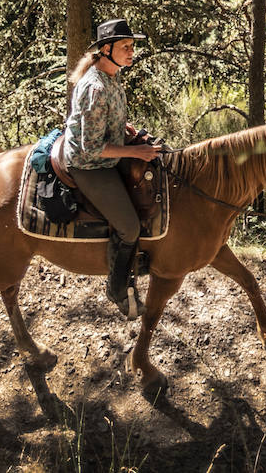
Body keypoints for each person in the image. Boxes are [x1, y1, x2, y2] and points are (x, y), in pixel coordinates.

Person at [64, 17, 159, 319]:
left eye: (132, 46)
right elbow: (91, 147)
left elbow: (103, 125)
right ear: (106, 49)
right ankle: (118, 289)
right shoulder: (95, 88)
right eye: (125, 47)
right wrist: (134, 151)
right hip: (89, 165)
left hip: (107, 156)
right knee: (129, 226)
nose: (132, 52)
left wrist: (123, 129)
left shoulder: (112, 79)